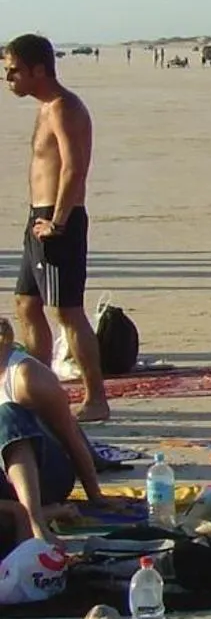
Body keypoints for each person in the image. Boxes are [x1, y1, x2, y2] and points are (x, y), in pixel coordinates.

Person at [4, 34, 108, 420]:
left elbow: (73, 167)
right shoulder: (45, 107)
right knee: (26, 304)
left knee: (67, 312)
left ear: (38, 70)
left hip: (58, 219)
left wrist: (58, 221)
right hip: (39, 217)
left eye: (14, 70)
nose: (8, 77)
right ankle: (42, 388)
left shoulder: (64, 107)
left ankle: (96, 399)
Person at [0, 315, 108, 546]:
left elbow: (70, 435)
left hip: (48, 474)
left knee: (7, 415)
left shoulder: (27, 377)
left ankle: (35, 522)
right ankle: (38, 513)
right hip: (6, 482)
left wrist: (95, 496)